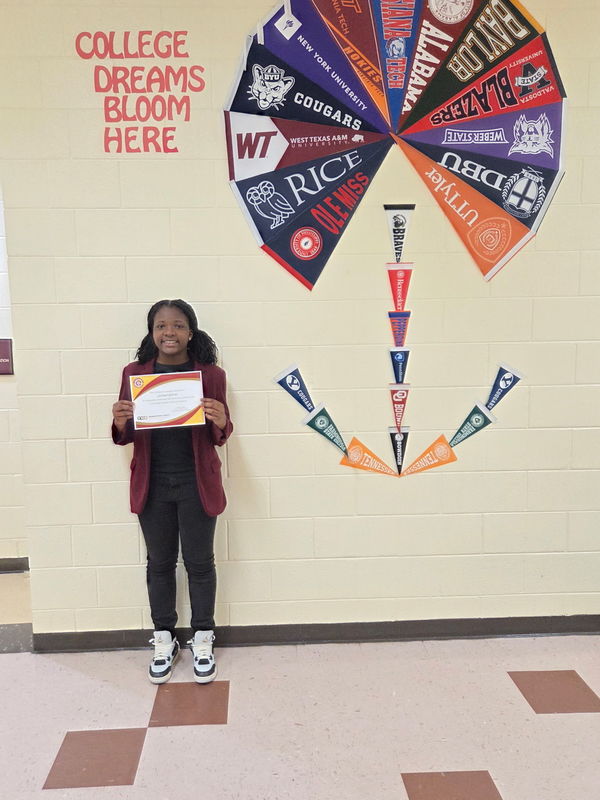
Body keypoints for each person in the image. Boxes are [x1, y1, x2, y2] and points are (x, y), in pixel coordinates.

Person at [111, 299, 232, 685]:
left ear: (190, 332)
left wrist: (222, 420)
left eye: (178, 325)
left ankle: (202, 637)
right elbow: (125, 435)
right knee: (159, 564)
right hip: (154, 483)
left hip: (197, 482)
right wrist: (119, 422)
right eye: (161, 325)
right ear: (151, 332)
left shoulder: (210, 375)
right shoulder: (134, 374)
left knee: (199, 564)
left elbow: (221, 435)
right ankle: (164, 638)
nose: (169, 332)